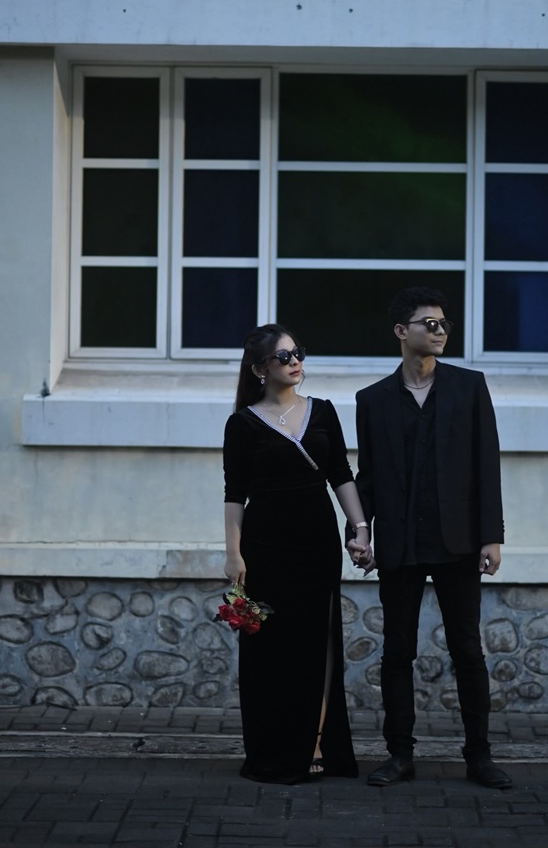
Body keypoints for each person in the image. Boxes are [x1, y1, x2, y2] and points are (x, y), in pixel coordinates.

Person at [349, 287, 512, 790]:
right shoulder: (372, 400)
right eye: (430, 323)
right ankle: (399, 755)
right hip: (399, 542)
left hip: (458, 541)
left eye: (444, 323)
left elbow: (486, 464)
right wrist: (359, 533)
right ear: (402, 331)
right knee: (397, 652)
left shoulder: (469, 387)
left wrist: (491, 536)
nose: (440, 331)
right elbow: (368, 476)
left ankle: (479, 757)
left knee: (468, 650)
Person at [223, 323, 371, 784]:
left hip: (316, 542)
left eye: (298, 353)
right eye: (284, 356)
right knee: (271, 650)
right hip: (265, 546)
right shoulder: (243, 423)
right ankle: (275, 748)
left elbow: (341, 474)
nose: (295, 362)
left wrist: (361, 529)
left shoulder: (323, 411)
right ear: (259, 369)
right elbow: (235, 493)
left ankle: (318, 742)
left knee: (318, 643)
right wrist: (233, 554)